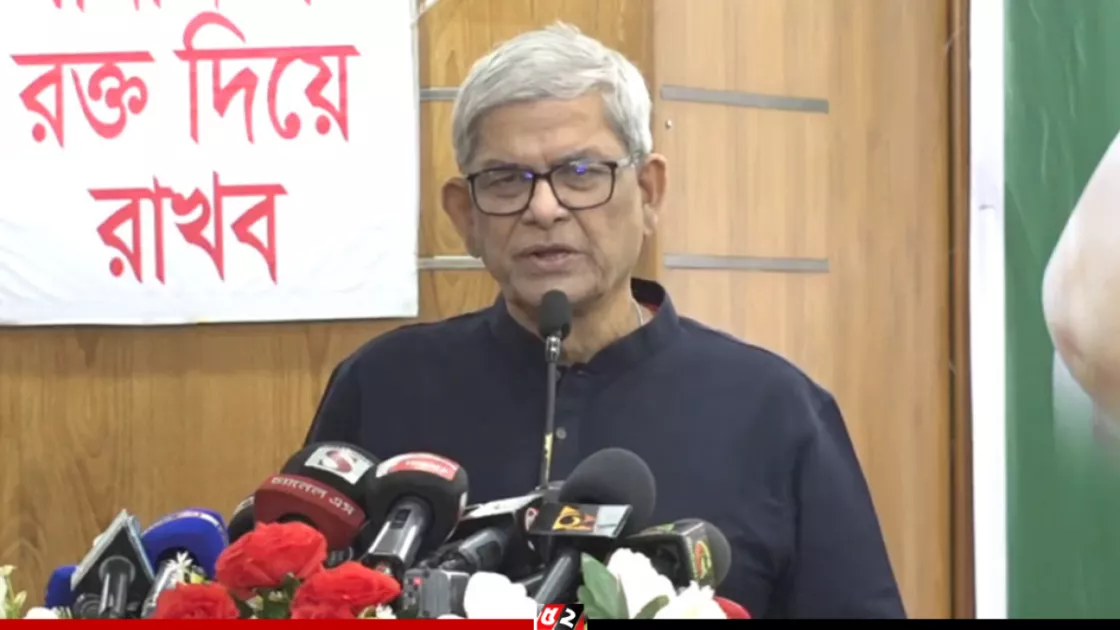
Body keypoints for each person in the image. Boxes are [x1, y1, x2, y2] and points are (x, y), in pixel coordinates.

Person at [305, 23, 905, 619]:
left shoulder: (774, 410)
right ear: (465, 216)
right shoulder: (382, 385)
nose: (544, 209)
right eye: (507, 180)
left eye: (581, 173)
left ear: (648, 192)